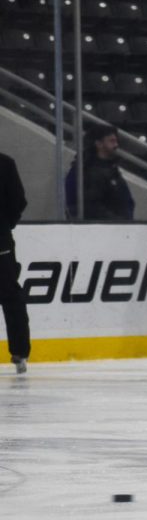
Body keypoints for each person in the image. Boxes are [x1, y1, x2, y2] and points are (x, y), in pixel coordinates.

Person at [65, 124, 135, 221]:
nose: (116, 145)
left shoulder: (112, 168)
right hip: (103, 229)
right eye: (111, 141)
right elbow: (91, 206)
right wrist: (116, 221)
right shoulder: (85, 170)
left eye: (116, 141)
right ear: (98, 144)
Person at [0, 152, 30, 374]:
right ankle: (20, 351)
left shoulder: (5, 163)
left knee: (10, 294)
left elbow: (17, 202)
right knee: (10, 295)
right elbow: (18, 202)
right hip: (1, 240)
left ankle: (20, 351)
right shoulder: (5, 163)